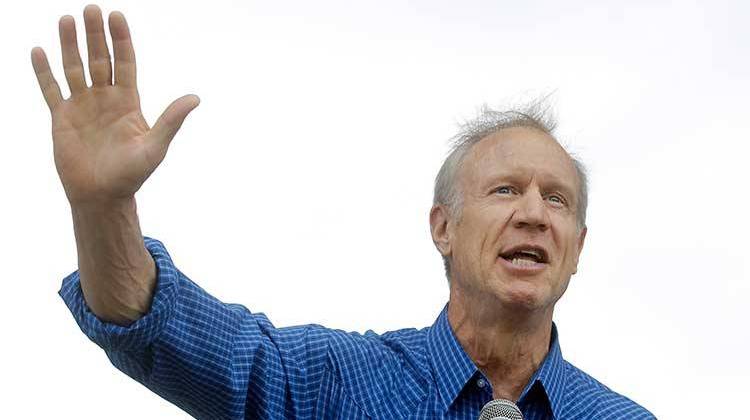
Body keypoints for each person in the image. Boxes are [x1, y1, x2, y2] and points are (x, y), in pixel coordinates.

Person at [33, 5, 655, 419]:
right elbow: (169, 332)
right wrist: (104, 208)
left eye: (557, 199)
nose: (533, 213)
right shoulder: (336, 383)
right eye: (504, 190)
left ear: (577, 246)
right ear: (442, 227)